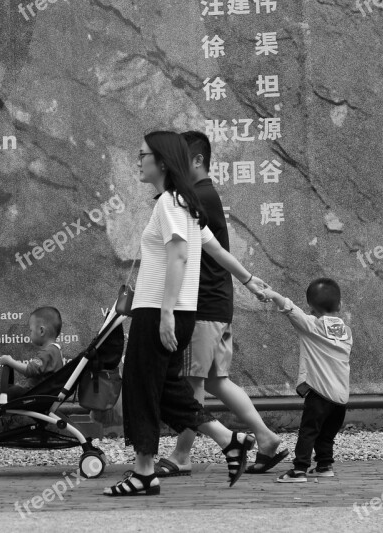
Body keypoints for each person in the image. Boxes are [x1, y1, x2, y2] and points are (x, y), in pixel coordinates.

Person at [103, 131, 269, 497]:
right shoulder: (182, 202)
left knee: (141, 386)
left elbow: (180, 255)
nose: (138, 160)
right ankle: (229, 440)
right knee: (165, 390)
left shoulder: (170, 203)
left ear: (161, 161)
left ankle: (144, 471)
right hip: (173, 311)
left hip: (161, 310)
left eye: (142, 154)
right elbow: (214, 249)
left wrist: (164, 312)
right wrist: (250, 280)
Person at [154, 131, 287, 478]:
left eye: (180, 159)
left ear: (197, 161)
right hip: (218, 303)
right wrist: (247, 280)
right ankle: (267, 438)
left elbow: (191, 252)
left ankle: (182, 454)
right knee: (216, 381)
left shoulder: (195, 197)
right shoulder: (205, 196)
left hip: (202, 306)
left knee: (193, 384)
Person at [259, 280, 352, 483]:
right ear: (340, 305)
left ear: (311, 308)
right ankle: (324, 466)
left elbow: (291, 310)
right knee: (326, 435)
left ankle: (299, 469)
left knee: (308, 432)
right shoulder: (346, 332)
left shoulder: (311, 326)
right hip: (341, 398)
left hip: (319, 394)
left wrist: (273, 294)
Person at [0, 307, 64, 421]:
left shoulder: (48, 352)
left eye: (30, 330)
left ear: (41, 331)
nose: (29, 334)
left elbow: (30, 370)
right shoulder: (55, 351)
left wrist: (10, 361)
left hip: (35, 397)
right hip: (41, 396)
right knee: (10, 389)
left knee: (10, 391)